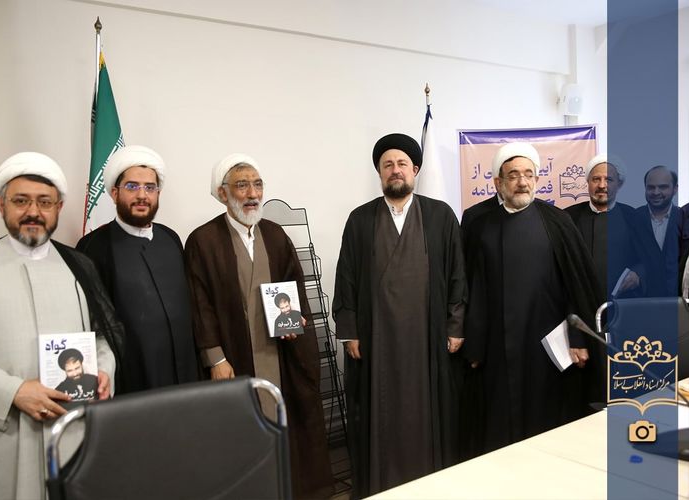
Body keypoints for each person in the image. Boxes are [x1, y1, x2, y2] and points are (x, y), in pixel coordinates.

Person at [0, 152, 124, 499]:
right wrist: (14, 392)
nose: (33, 212)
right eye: (21, 201)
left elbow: (103, 336)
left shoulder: (80, 266)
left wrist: (103, 371)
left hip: (73, 427)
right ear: (0, 204)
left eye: (44, 202)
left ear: (59, 207)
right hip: (3, 431)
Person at [184, 153, 333, 498]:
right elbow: (200, 304)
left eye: (257, 184)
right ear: (223, 194)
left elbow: (294, 287)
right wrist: (216, 359)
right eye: (242, 185)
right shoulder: (203, 241)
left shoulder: (275, 234)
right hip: (234, 354)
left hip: (280, 351)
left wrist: (296, 320)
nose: (252, 194)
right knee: (243, 435)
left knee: (288, 429)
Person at [332, 133, 466, 497]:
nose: (395, 170)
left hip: (428, 335)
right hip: (377, 338)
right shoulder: (360, 219)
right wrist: (350, 331)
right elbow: (346, 278)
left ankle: (432, 483)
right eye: (388, 165)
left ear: (415, 170)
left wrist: (455, 326)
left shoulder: (440, 216)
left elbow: (457, 275)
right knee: (382, 410)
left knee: (426, 411)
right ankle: (385, 484)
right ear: (379, 172)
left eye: (402, 164)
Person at [463, 142, 600, 454]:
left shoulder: (558, 221)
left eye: (528, 175)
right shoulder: (480, 224)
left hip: (549, 344)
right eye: (513, 175)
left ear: (537, 179)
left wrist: (579, 338)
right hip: (497, 347)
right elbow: (474, 288)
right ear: (498, 183)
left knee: (548, 420)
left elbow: (575, 285)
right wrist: (475, 344)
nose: (522, 182)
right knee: (500, 422)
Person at [77, 145, 198, 392]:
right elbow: (92, 322)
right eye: (132, 186)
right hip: (132, 379)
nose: (142, 195)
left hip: (185, 372)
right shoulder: (93, 247)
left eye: (150, 187)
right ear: (114, 193)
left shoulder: (171, 238)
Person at [565, 154, 642, 301]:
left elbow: (647, 259)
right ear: (587, 182)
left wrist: (638, 274)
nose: (602, 185)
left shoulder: (633, 217)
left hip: (622, 304)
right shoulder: (567, 217)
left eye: (609, 179)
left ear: (619, 184)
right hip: (578, 304)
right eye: (596, 179)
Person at [633, 165, 681, 297]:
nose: (656, 192)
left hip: (678, 301)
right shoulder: (631, 219)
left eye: (663, 187)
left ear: (675, 189)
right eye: (651, 187)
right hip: (640, 301)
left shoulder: (685, 220)